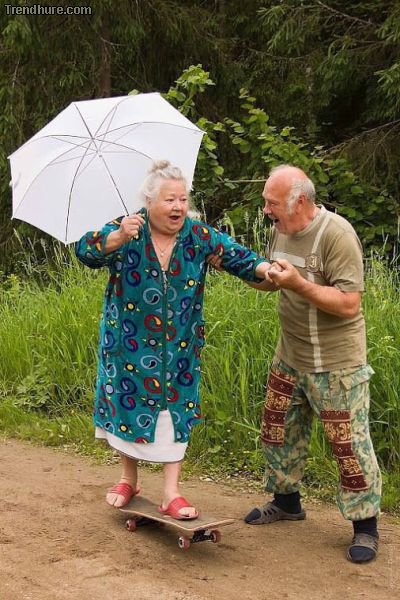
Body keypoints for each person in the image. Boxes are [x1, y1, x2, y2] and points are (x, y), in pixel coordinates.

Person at [75, 160, 272, 520]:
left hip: (180, 345)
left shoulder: (198, 235)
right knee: (127, 405)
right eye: (169, 200)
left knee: (175, 410)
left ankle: (171, 493)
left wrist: (269, 270)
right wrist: (117, 237)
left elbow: (238, 256)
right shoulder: (126, 228)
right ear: (149, 201)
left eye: (182, 199)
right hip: (128, 342)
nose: (178, 206)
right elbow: (85, 251)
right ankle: (128, 479)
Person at [243, 164, 382, 563]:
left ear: (299, 201)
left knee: (348, 446)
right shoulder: (281, 229)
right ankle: (286, 503)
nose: (266, 210)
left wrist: (299, 284)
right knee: (278, 431)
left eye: (272, 203)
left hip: (337, 364)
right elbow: (271, 281)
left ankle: (366, 527)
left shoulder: (336, 235)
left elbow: (349, 303)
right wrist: (236, 266)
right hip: (290, 355)